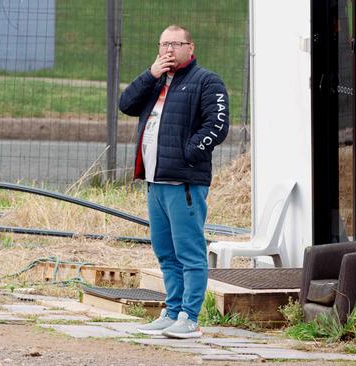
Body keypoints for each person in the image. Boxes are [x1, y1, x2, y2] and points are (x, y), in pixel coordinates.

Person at [119, 25, 229, 339]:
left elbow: (217, 125)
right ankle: (172, 310)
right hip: (155, 182)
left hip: (184, 183)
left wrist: (189, 153)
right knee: (165, 252)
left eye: (176, 44)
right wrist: (150, 74)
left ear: (190, 48)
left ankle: (190, 317)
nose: (169, 50)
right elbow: (126, 104)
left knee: (189, 252)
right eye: (164, 43)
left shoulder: (207, 81)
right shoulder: (154, 82)